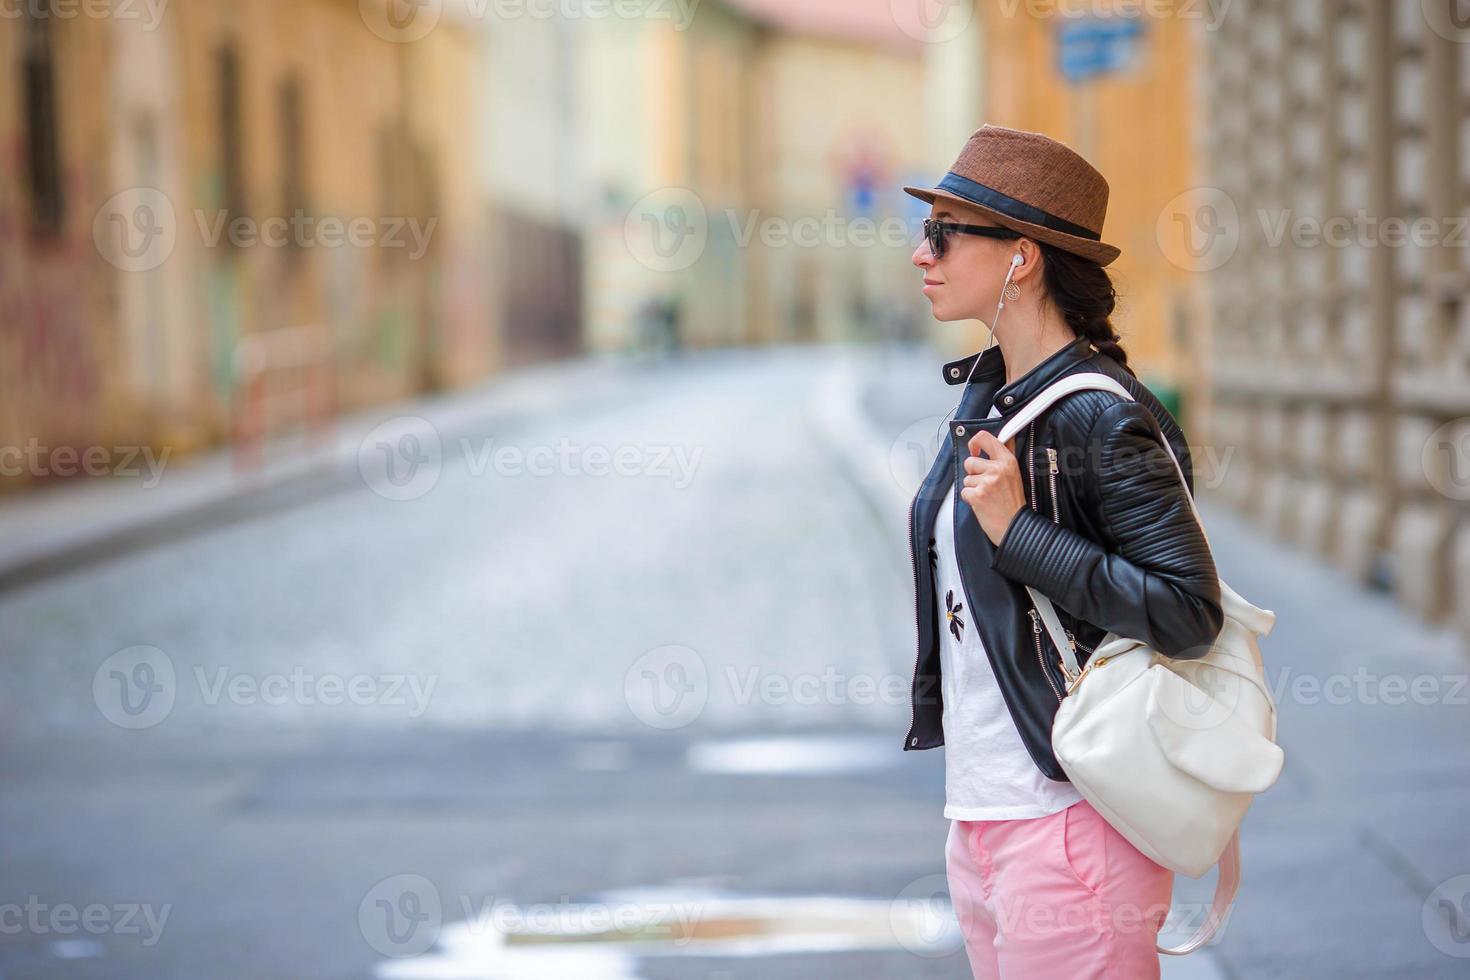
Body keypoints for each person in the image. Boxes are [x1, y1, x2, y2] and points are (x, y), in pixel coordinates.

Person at [901, 125, 1224, 978]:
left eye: (942, 233)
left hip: (1071, 822)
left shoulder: (1096, 415)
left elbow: (1189, 612)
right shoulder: (993, 398)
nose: (918, 254)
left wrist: (1023, 535)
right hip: (983, 813)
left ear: (1022, 257)